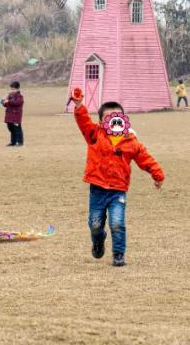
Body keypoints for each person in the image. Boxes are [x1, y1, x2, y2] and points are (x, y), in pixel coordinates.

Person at [73, 100, 164, 267]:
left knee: (117, 223)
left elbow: (144, 158)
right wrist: (79, 106)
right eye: (108, 118)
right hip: (97, 189)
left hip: (118, 190)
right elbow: (83, 121)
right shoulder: (94, 134)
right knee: (95, 223)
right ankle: (99, 240)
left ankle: (119, 254)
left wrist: (157, 174)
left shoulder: (130, 141)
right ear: (101, 122)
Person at [1, 81, 24, 146]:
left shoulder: (20, 96)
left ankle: (20, 142)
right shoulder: (10, 96)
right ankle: (13, 142)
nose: (12, 90)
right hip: (9, 115)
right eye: (11, 89)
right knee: (11, 129)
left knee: (17, 129)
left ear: (18, 89)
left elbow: (17, 103)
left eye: (13, 89)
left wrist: (9, 101)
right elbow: (6, 105)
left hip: (16, 116)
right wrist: (3, 101)